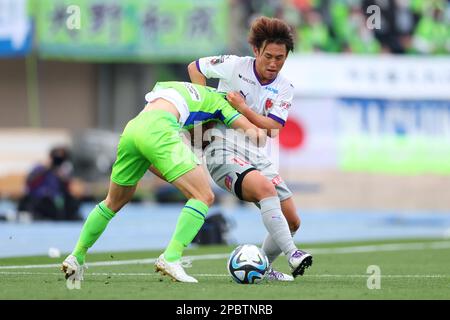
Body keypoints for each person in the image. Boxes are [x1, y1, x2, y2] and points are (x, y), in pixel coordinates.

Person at [61, 81, 267, 284]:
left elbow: (151, 160)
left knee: (112, 202)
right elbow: (259, 137)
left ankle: (76, 256)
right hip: (159, 128)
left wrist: (180, 178)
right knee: (204, 196)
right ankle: (171, 258)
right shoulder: (221, 103)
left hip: (133, 129)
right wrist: (242, 109)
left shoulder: (178, 88)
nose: (208, 140)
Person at [188, 16, 312, 281]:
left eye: (280, 57)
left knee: (292, 221)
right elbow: (195, 67)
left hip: (257, 154)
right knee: (266, 190)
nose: (273, 63)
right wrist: (203, 108)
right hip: (222, 149)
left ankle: (262, 268)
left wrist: (242, 108)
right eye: (268, 56)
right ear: (256, 50)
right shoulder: (234, 66)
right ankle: (293, 254)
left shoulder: (285, 88)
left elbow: (272, 127)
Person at [17, 146, 82, 221]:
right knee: (39, 202)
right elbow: (29, 183)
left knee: (72, 203)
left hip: (54, 202)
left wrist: (62, 176)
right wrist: (46, 168)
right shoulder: (40, 168)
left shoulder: (63, 171)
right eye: (56, 158)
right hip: (39, 200)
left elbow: (67, 190)